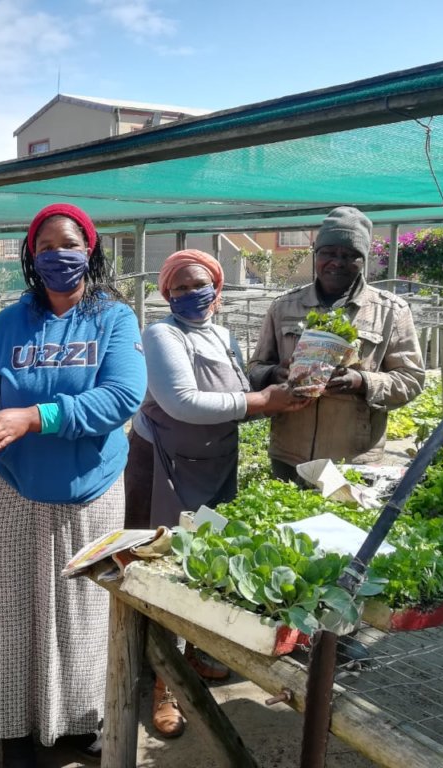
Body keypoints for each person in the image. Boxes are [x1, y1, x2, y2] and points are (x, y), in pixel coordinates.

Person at [0, 203, 147, 767]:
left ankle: (78, 722)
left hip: (87, 491)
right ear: (30, 258)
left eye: (68, 244)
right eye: (44, 248)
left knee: (82, 614)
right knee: (7, 612)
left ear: (89, 249)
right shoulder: (10, 323)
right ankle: (14, 729)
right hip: (8, 488)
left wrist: (34, 417)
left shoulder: (113, 318)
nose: (56, 256)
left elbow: (121, 398)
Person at [124, 249, 309, 738]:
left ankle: (194, 652)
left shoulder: (224, 334)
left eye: (200, 284)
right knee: (160, 568)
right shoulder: (161, 333)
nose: (191, 295)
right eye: (180, 288)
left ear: (218, 288)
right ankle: (164, 683)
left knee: (204, 562)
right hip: (164, 465)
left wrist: (277, 378)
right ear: (166, 294)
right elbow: (183, 402)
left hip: (214, 465)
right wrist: (262, 402)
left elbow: (236, 383)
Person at [248, 206, 425, 481]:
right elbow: (256, 367)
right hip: (288, 453)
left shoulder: (390, 310)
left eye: (350, 255)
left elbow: (411, 379)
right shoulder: (284, 306)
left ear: (363, 260)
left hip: (353, 458)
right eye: (328, 253)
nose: (337, 262)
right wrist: (275, 373)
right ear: (315, 255)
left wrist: (361, 382)